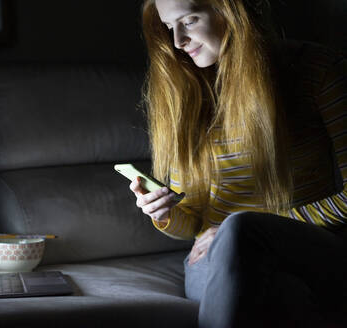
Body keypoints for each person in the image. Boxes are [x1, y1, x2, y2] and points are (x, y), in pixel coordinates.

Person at [129, 0, 347, 327]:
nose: (177, 41)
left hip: (308, 247)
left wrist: (239, 230)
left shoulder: (317, 70)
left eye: (188, 20)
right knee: (282, 296)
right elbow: (193, 227)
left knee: (239, 228)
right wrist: (165, 213)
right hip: (216, 261)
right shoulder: (185, 91)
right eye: (168, 26)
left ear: (232, 10)